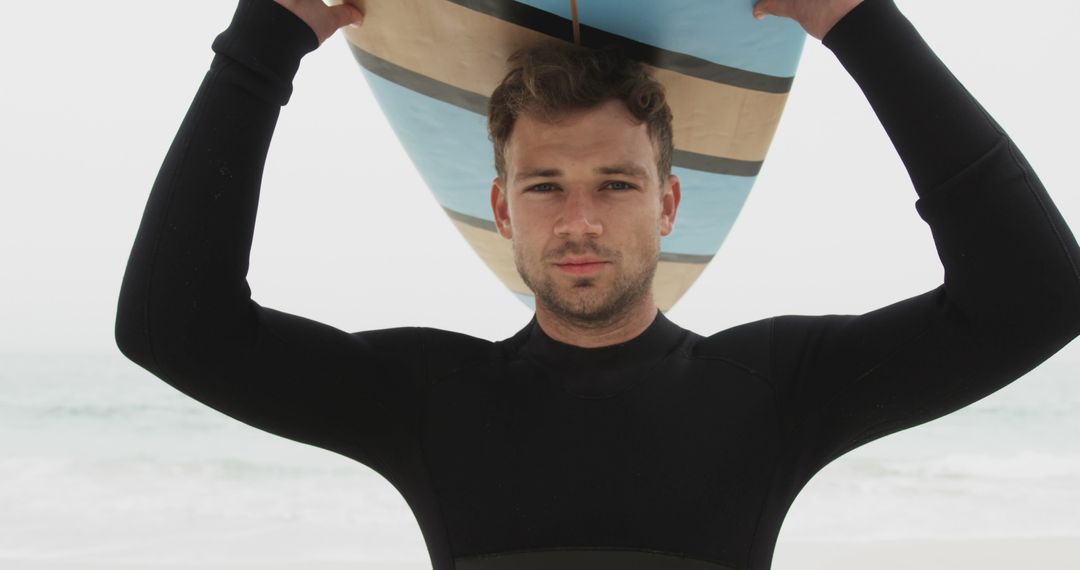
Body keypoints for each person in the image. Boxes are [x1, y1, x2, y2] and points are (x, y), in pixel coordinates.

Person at [114, 0, 1080, 568]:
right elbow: (170, 326)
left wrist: (859, 24)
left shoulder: (775, 390)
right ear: (503, 209)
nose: (579, 221)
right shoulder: (428, 400)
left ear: (669, 204)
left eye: (616, 184)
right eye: (546, 187)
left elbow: (1037, 293)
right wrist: (262, 44)